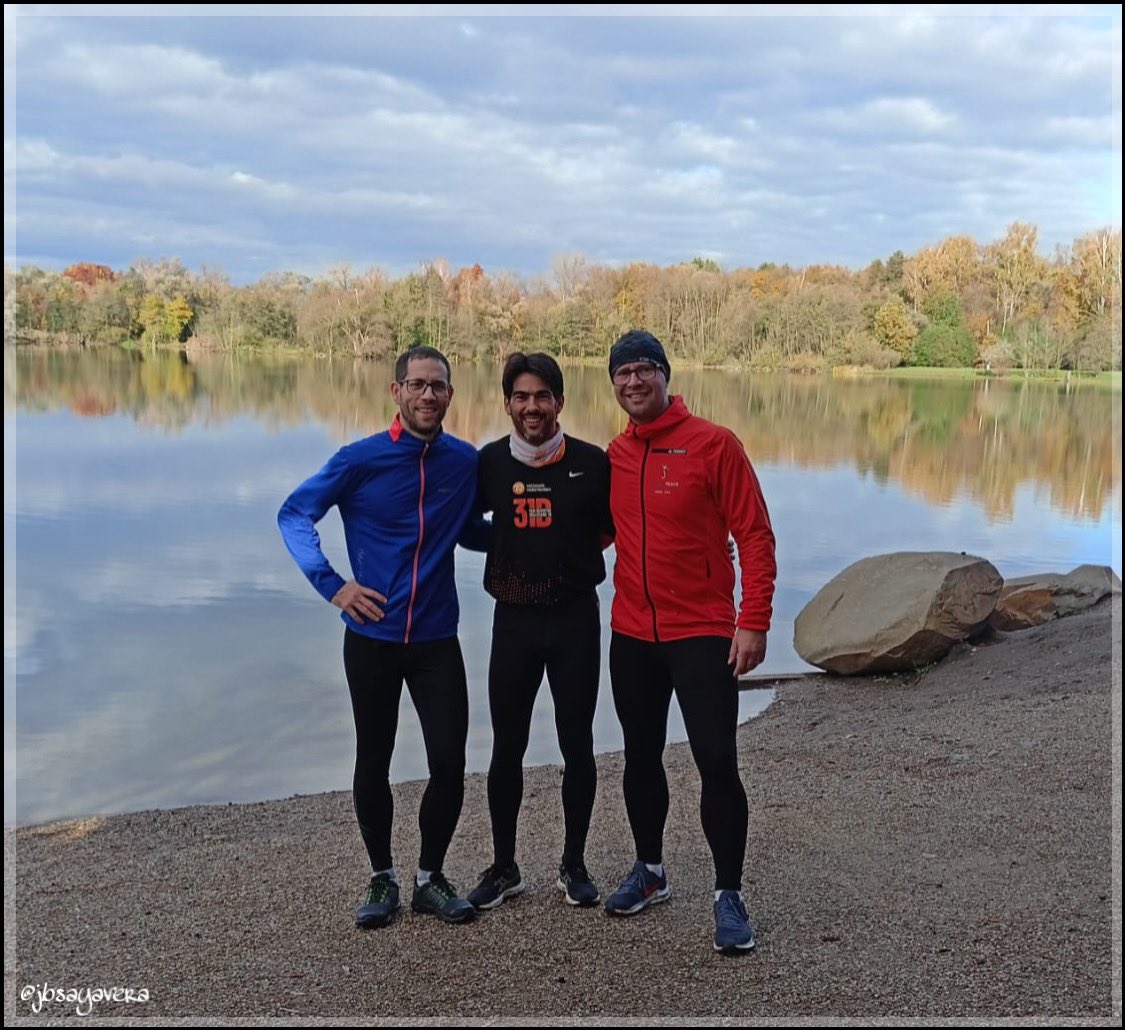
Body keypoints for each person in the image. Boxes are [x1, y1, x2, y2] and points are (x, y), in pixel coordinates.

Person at [277, 345, 479, 929]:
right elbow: (293, 516)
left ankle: (429, 878)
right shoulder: (358, 460)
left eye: (438, 386)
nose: (427, 395)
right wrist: (334, 587)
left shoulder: (464, 463)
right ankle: (382, 876)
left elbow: (474, 532)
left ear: (449, 395)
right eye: (416, 384)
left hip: (437, 637)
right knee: (375, 756)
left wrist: (557, 537)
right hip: (372, 636)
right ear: (397, 392)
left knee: (448, 760)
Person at [601, 329, 777, 954]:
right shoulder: (614, 456)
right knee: (640, 758)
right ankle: (650, 871)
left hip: (702, 633)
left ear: (665, 377)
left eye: (644, 369)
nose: (633, 382)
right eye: (622, 373)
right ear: (614, 384)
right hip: (631, 635)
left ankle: (728, 892)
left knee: (717, 762)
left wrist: (752, 619)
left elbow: (754, 535)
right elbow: (586, 534)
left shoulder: (713, 445)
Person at [465, 352, 613, 912]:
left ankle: (573, 863)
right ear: (507, 404)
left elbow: (619, 526)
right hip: (514, 621)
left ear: (560, 402)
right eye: (521, 397)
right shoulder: (489, 465)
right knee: (508, 745)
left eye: (542, 396)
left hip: (575, 618)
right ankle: (505, 867)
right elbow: (461, 526)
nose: (532, 407)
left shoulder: (593, 463)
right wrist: (507, 545)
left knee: (579, 744)